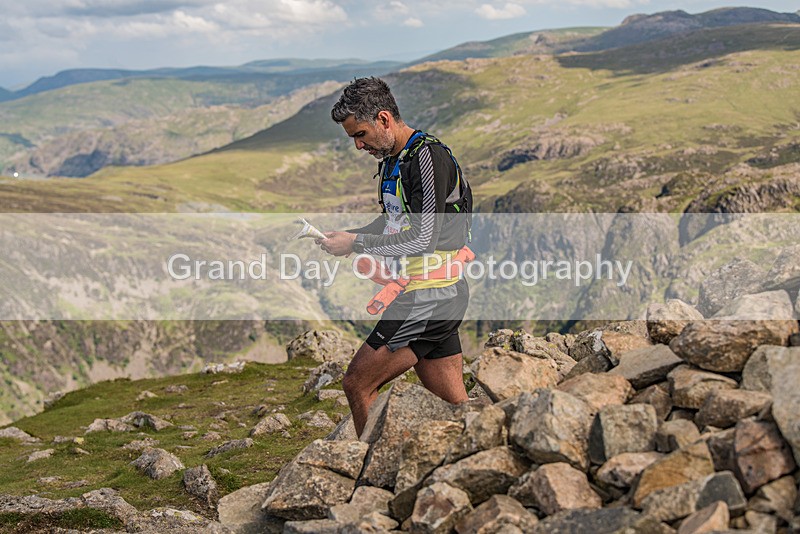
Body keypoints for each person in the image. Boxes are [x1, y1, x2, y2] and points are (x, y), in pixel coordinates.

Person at [318, 77, 473, 437]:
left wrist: (355, 245)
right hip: (426, 293)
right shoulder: (393, 161)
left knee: (357, 383)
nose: (358, 145)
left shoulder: (427, 158)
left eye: (361, 134)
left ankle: (374, 477)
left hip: (432, 296)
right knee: (459, 411)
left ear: (384, 119)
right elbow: (391, 223)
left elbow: (422, 237)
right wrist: (349, 236)